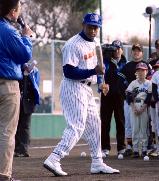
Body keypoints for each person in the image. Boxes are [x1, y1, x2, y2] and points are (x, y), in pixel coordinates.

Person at [43, 13, 119, 176]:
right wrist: (93, 71)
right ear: (83, 25)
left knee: (95, 123)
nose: (93, 30)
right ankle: (54, 158)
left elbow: (98, 67)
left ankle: (97, 162)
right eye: (90, 26)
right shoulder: (73, 44)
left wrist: (101, 83)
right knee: (77, 125)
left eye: (95, 27)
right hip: (73, 87)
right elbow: (69, 71)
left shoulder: (96, 42)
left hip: (87, 88)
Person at [0, 0, 33, 180]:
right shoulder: (10, 31)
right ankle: (4, 174)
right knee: (6, 131)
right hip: (7, 85)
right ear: (13, 12)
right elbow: (24, 55)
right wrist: (26, 37)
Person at [120, 44, 150, 156]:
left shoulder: (147, 65)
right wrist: (127, 92)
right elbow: (120, 80)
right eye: (134, 50)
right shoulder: (127, 66)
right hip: (130, 100)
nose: (136, 52)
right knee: (129, 123)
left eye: (139, 50)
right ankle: (130, 146)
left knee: (144, 125)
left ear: (142, 52)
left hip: (143, 101)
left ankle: (145, 147)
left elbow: (151, 82)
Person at [100, 40, 127, 157]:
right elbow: (100, 71)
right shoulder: (106, 61)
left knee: (120, 121)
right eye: (114, 48)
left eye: (118, 48)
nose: (116, 50)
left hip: (120, 96)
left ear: (122, 49)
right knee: (105, 122)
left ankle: (121, 147)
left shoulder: (125, 63)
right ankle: (105, 148)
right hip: (106, 95)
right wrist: (102, 54)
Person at [126, 62, 152, 158]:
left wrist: (142, 108)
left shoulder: (149, 83)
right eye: (139, 70)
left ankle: (144, 149)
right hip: (134, 106)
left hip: (144, 106)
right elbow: (128, 96)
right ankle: (136, 150)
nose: (141, 72)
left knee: (144, 129)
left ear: (146, 72)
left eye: (143, 70)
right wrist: (134, 107)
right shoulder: (133, 83)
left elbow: (149, 97)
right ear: (136, 72)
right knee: (135, 128)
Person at [14, 61, 40, 157]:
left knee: (25, 126)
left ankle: (23, 149)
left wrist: (28, 74)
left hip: (27, 103)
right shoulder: (16, 69)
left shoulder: (34, 72)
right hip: (16, 101)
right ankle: (16, 148)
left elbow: (35, 86)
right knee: (15, 126)